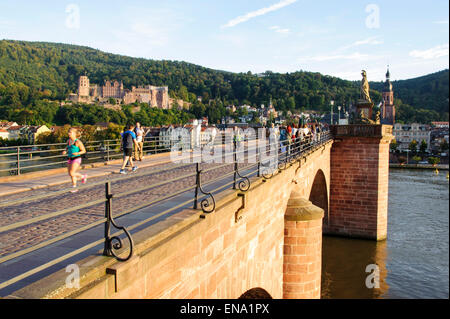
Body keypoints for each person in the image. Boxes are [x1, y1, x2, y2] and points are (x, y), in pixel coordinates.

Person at [62, 127, 87, 192]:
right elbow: (67, 148)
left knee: (72, 173)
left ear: (74, 134)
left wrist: (77, 153)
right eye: (68, 132)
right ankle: (74, 187)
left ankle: (83, 176)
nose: (68, 133)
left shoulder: (78, 142)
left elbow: (84, 151)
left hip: (77, 158)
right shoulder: (68, 141)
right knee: (71, 174)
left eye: (70, 132)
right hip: (70, 158)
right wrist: (65, 151)